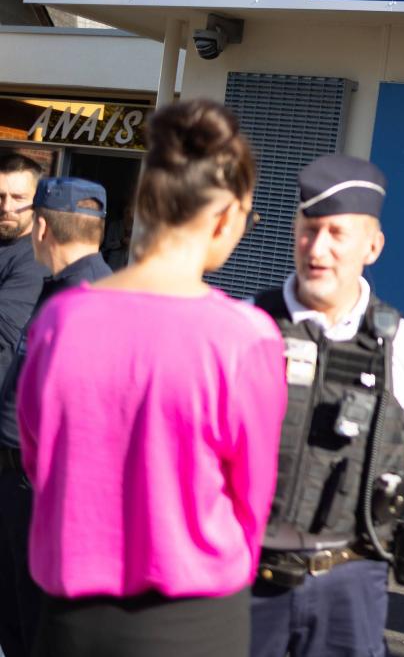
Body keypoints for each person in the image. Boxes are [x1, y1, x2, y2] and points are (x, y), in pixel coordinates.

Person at [17, 100, 287, 657]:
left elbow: (37, 458)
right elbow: (253, 498)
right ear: (227, 218)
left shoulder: (59, 323)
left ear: (143, 203)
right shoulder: (245, 338)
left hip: (73, 617)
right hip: (195, 621)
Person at [249, 154, 404, 657]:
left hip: (350, 582)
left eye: (337, 233)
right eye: (309, 229)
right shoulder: (244, 328)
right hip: (244, 578)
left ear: (373, 246)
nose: (318, 249)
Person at [0, 177, 112, 657]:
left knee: (32, 629)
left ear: (40, 227)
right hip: (18, 486)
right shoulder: (61, 288)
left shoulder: (87, 301)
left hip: (39, 496)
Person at [0, 154, 49, 395]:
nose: (6, 207)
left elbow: (4, 330)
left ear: (37, 202)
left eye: (18, 198)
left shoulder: (35, 257)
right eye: (0, 196)